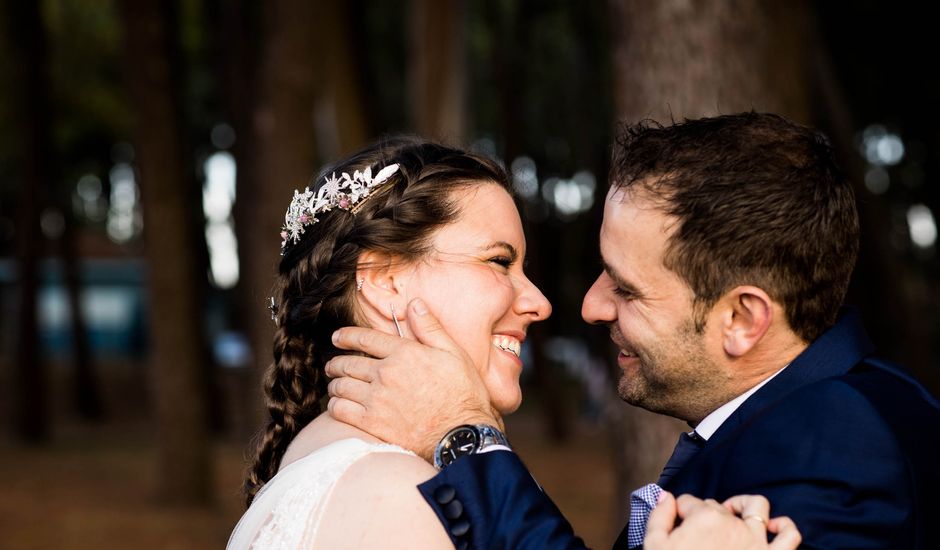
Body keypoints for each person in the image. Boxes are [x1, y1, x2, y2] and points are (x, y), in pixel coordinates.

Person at [326, 113, 940, 549]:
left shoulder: (836, 448)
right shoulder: (830, 411)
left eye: (626, 287)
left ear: (742, 320)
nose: (591, 306)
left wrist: (464, 436)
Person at [228, 136, 799, 549]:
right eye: (498, 261)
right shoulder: (395, 495)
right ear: (385, 280)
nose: (540, 303)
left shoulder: (330, 466)